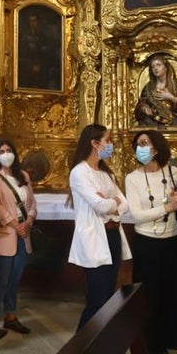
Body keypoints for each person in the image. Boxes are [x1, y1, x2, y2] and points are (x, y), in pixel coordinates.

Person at [124, 130, 177, 354]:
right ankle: (148, 350)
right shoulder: (132, 178)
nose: (140, 148)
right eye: (137, 144)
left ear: (157, 147)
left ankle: (164, 348)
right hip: (147, 242)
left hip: (171, 240)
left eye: (144, 143)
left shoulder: (173, 172)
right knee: (148, 298)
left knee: (169, 296)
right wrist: (166, 206)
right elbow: (137, 215)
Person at [68, 124, 131, 330]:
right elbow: (100, 204)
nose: (111, 145)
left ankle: (98, 346)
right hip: (95, 239)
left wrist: (112, 204)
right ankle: (80, 350)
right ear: (95, 144)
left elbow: (125, 204)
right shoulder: (79, 173)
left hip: (112, 236)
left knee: (107, 296)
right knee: (96, 300)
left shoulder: (106, 174)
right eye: (108, 140)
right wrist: (112, 204)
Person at [0, 139, 37, 333]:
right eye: (2, 151)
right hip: (5, 234)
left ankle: (10, 316)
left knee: (15, 278)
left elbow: (32, 202)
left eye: (9, 150)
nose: (6, 153)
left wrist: (29, 221)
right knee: (1, 278)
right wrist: (15, 225)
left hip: (23, 234)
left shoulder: (22, 175)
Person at [134, 53, 177, 127]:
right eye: (153, 66)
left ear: (166, 67)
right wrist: (143, 108)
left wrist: (172, 98)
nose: (155, 68)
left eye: (158, 65)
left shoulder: (176, 85)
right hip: (153, 122)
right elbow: (140, 106)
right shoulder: (148, 88)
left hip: (175, 122)